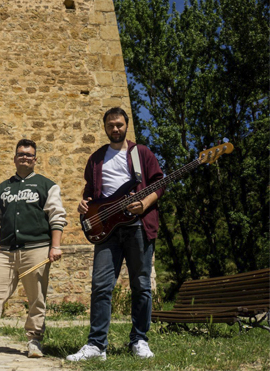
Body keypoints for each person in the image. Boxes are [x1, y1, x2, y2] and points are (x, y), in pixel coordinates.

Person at [66, 107, 164, 362]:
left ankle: (139, 340)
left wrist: (145, 203)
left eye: (119, 124)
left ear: (126, 125)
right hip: (107, 230)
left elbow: (159, 183)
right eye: (110, 125)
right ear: (105, 127)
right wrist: (84, 204)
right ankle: (96, 345)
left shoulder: (141, 153)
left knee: (141, 285)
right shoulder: (96, 158)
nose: (115, 129)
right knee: (100, 286)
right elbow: (90, 193)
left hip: (138, 226)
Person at [0, 139, 67, 359]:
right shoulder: (3, 188)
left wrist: (55, 246)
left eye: (29, 154)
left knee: (36, 298)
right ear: (15, 158)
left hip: (37, 249)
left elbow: (57, 216)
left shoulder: (47, 185)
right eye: (21, 154)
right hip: (6, 251)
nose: (24, 157)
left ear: (35, 159)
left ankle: (34, 340)